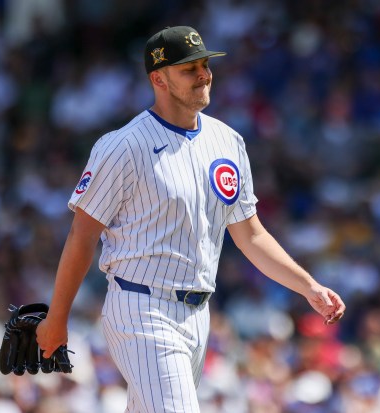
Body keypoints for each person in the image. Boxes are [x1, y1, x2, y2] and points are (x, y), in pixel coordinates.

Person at [36, 25, 346, 412]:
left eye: (205, 65)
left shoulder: (228, 141)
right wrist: (57, 318)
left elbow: (250, 236)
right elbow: (81, 238)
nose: (203, 75)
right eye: (189, 69)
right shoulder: (123, 146)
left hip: (199, 315)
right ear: (158, 78)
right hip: (141, 307)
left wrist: (308, 287)